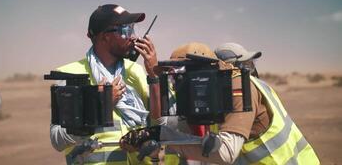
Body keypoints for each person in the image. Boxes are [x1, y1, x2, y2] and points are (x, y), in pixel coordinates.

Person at [120, 42, 320, 165]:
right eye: (172, 77)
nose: (176, 82)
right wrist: (149, 138)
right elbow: (174, 132)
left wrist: (162, 135)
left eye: (179, 75)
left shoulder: (238, 84)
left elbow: (226, 153)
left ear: (204, 71)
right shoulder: (203, 95)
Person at [49, 4, 166, 165]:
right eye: (125, 30)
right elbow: (57, 140)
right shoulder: (69, 75)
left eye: (133, 29)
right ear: (105, 36)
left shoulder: (137, 72)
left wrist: (154, 76)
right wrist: (100, 107)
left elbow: (159, 126)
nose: (133, 36)